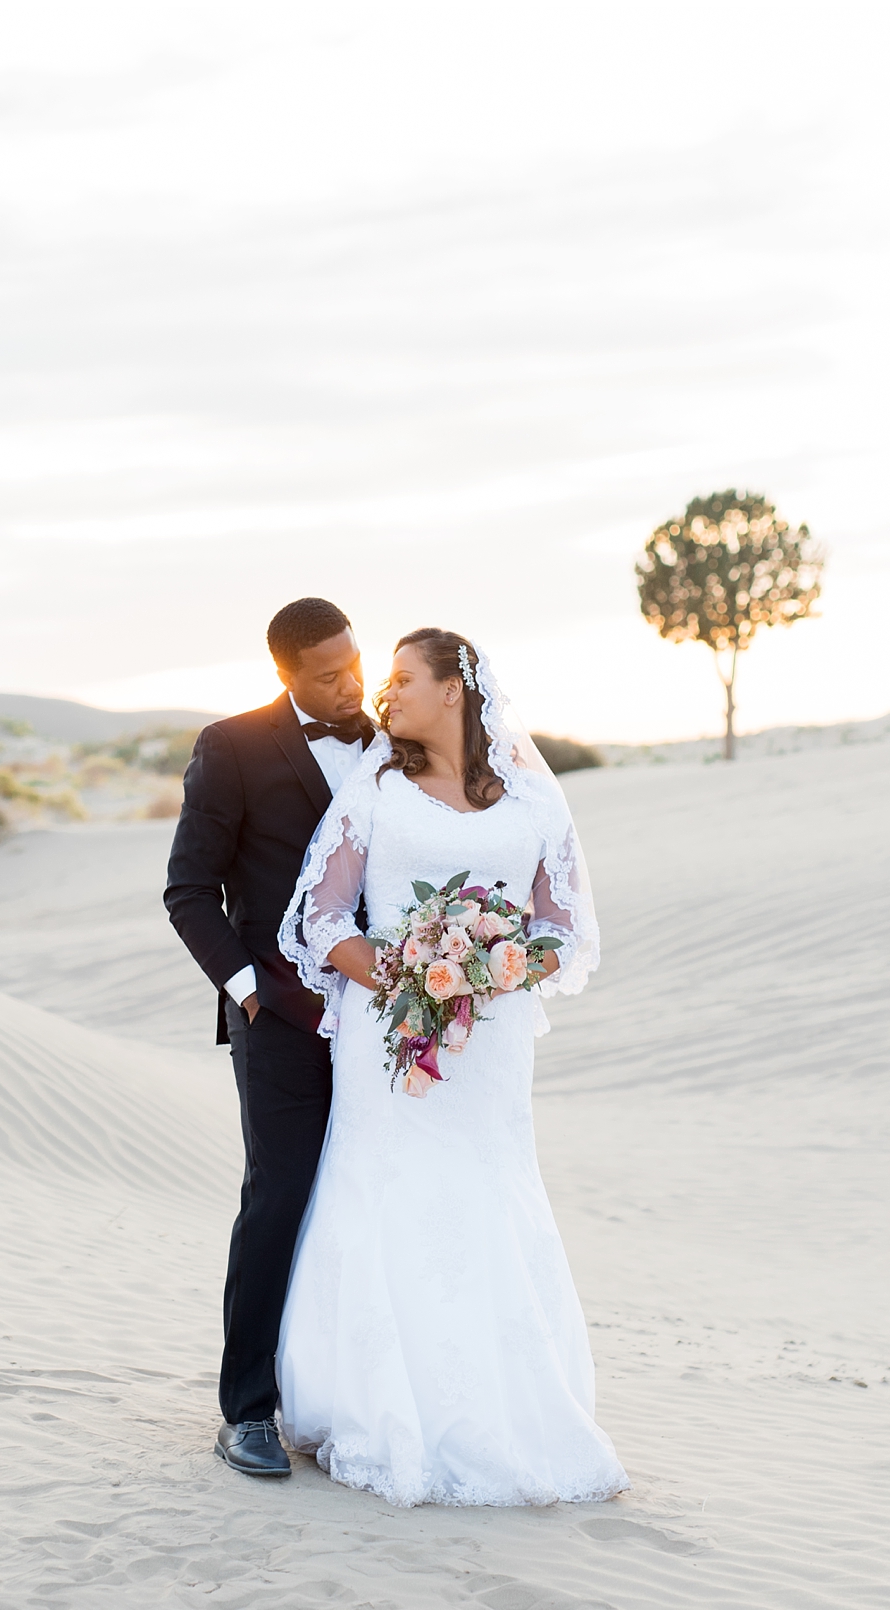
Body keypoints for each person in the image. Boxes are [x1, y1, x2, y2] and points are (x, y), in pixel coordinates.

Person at [274, 628, 629, 1507]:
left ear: (455, 689)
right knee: (389, 1196)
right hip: (389, 1033)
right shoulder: (377, 794)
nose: (384, 694)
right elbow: (323, 918)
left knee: (484, 1199)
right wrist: (401, 973)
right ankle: (378, 1403)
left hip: (490, 1046)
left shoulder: (534, 805)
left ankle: (501, 1406)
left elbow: (561, 929)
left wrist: (494, 965)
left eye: (402, 678)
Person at [163, 597, 374, 1479]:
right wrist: (247, 991)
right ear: (285, 676)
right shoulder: (233, 747)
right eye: (328, 676)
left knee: (368, 1201)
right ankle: (246, 1410)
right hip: (279, 1020)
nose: (350, 685)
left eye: (354, 665)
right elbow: (188, 890)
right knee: (279, 1198)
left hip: (380, 1020)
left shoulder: (395, 745)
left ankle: (349, 1396)